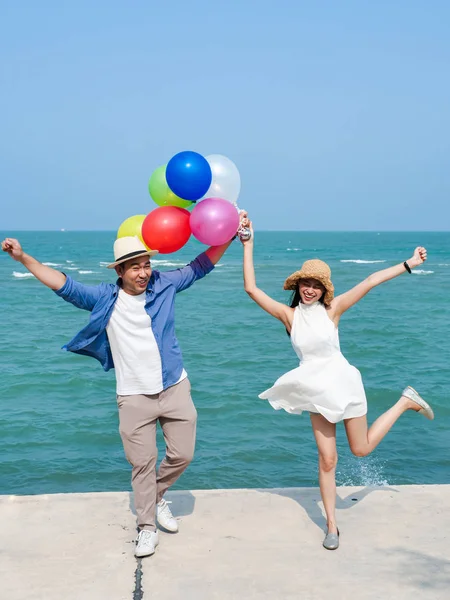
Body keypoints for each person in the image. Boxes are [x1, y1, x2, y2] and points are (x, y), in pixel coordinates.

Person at [2, 230, 242, 558]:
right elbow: (63, 284)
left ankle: (156, 496)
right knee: (142, 464)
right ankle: (146, 527)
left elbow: (201, 265)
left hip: (174, 386)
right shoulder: (104, 297)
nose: (144, 272)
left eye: (146, 265)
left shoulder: (165, 284)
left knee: (182, 454)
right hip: (133, 397)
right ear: (119, 271)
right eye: (135, 267)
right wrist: (23, 258)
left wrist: (227, 236)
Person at [240, 222, 434, 551]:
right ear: (298, 284)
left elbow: (370, 281)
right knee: (327, 459)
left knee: (360, 450)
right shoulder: (289, 316)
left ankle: (404, 402)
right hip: (314, 391)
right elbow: (251, 289)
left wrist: (408, 264)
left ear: (324, 289)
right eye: (306, 283)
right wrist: (248, 242)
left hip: (343, 383)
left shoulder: (333, 309)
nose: (310, 290)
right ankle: (332, 525)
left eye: (316, 285)